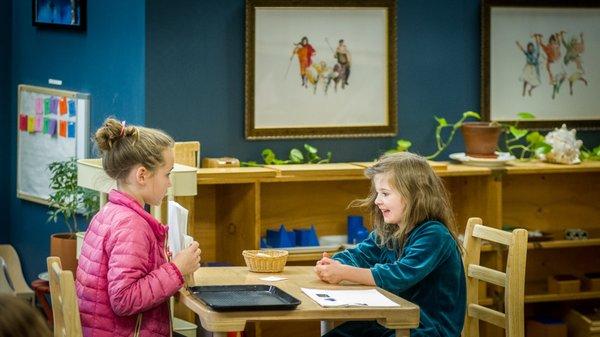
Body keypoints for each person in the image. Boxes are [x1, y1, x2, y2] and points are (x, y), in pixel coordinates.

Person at [315, 152, 466, 337]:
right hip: (392, 320)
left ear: (414, 196)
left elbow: (397, 276)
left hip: (428, 328)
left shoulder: (434, 235)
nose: (377, 200)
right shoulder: (391, 230)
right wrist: (333, 264)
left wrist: (344, 272)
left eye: (385, 193)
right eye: (378, 193)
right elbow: (361, 254)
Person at [76, 118, 202, 337]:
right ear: (142, 175)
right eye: (167, 174)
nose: (169, 183)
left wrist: (165, 263)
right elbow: (124, 299)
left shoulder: (108, 213)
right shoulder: (132, 225)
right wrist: (176, 269)